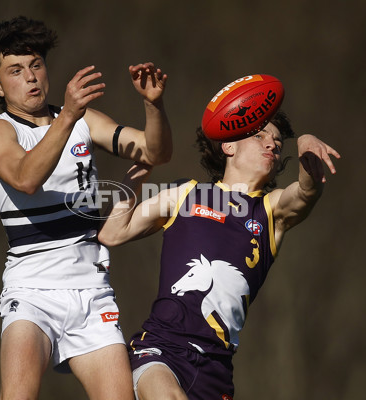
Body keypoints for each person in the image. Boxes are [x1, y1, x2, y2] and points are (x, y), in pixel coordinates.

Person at [0, 16, 172, 400]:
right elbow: (25, 178)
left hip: (91, 290)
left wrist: (154, 106)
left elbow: (156, 152)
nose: (30, 77)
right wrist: (66, 115)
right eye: (16, 70)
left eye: (36, 65)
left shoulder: (85, 122)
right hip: (31, 291)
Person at [98, 110, 340, 400]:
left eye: (278, 142)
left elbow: (305, 192)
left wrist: (307, 145)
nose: (272, 145)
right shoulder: (185, 194)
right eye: (260, 135)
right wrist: (141, 167)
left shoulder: (269, 212)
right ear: (229, 146)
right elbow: (112, 232)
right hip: (161, 349)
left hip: (216, 369)